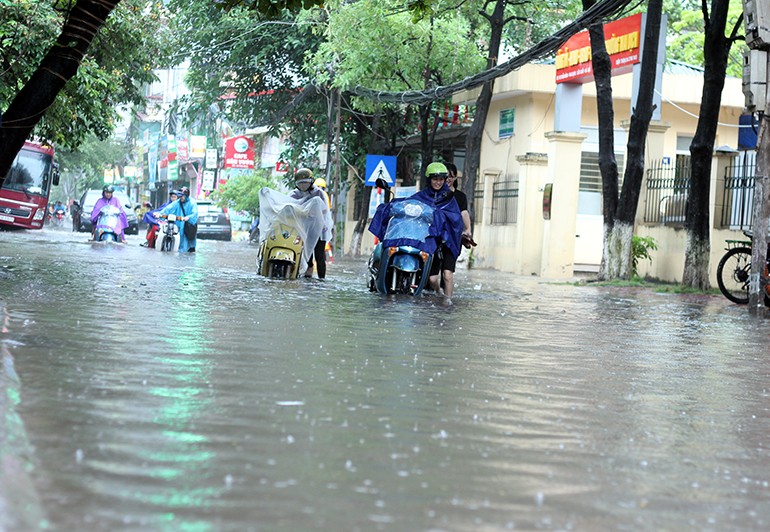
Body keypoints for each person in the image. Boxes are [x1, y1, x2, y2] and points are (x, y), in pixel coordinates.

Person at [420, 162, 464, 299]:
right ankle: (439, 293)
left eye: (441, 179)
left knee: (447, 274)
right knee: (432, 279)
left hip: (449, 240)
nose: (438, 182)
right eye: (435, 179)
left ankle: (448, 302)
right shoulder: (422, 196)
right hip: (432, 240)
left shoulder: (451, 198)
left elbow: (457, 218)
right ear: (429, 180)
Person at [290, 168, 332, 279]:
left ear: (311, 182)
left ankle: (321, 279)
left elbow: (324, 210)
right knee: (305, 254)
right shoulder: (294, 194)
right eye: (300, 183)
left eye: (305, 182)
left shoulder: (319, 193)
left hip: (318, 229)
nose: (303, 185)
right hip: (302, 229)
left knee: (319, 256)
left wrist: (311, 212)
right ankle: (308, 273)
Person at [158, 186, 198, 252]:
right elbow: (169, 208)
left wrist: (188, 217)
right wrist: (160, 214)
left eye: (182, 196)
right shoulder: (178, 202)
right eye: (180, 196)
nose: (181, 198)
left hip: (189, 226)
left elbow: (195, 214)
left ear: (186, 195)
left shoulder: (192, 203)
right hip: (180, 225)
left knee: (189, 244)